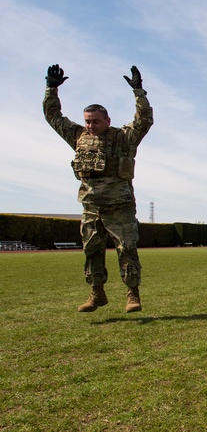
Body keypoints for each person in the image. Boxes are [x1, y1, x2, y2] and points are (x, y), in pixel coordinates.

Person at [43, 64, 153, 313]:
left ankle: (132, 294)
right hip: (91, 207)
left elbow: (144, 121)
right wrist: (51, 89)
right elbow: (53, 117)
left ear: (107, 120)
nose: (90, 126)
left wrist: (139, 92)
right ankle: (97, 293)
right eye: (87, 121)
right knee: (92, 251)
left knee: (127, 249)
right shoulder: (79, 137)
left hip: (120, 207)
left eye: (95, 121)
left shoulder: (124, 138)